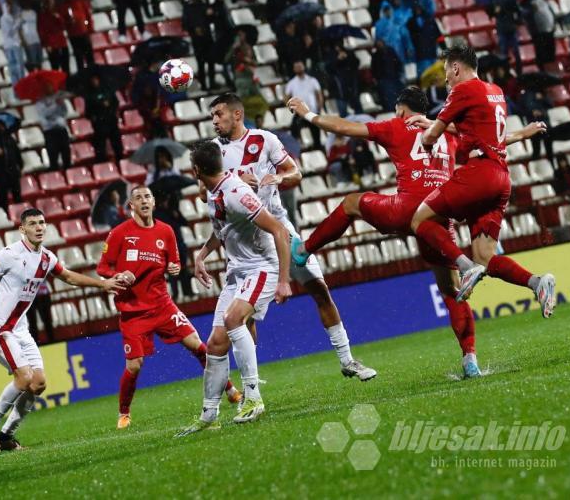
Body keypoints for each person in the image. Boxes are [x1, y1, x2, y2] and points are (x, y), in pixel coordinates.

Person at [288, 87, 546, 377]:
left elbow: (344, 127)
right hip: (438, 216)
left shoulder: (396, 125)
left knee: (350, 204)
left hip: (404, 208)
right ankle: (470, 359)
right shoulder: (447, 134)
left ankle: (304, 250)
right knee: (452, 293)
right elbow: (492, 142)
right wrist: (523, 134)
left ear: (401, 109)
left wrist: (307, 113)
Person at [208, 92, 376, 381]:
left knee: (320, 289)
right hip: (245, 239)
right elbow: (205, 193)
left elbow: (296, 173)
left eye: (219, 114)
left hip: (279, 226)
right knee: (243, 314)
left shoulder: (265, 140)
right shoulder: (213, 151)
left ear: (237, 114)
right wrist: (236, 184)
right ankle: (252, 381)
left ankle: (348, 360)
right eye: (212, 116)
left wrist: (278, 178)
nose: (214, 121)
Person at [410, 45, 556, 317]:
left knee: (419, 219)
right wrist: (523, 134)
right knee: (485, 257)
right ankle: (537, 283)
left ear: (456, 67)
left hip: (479, 173)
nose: (445, 80)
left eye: (446, 73)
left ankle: (464, 267)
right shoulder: (496, 91)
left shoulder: (462, 90)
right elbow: (477, 132)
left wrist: (426, 135)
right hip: (501, 178)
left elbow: (433, 136)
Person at [0, 208, 125, 451]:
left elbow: (69, 277)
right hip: (1, 327)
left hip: (20, 328)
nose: (39, 227)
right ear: (22, 229)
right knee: (24, 378)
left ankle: (6, 435)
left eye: (42, 223)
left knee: (39, 384)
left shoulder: (47, 258)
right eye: (33, 224)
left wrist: (103, 284)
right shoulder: (10, 254)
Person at [175, 140, 293, 436]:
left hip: (262, 269)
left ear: (196, 170)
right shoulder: (217, 192)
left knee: (232, 320)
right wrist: (202, 255)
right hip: (237, 273)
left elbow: (279, 230)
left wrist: (284, 280)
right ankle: (208, 414)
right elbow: (225, 230)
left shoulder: (237, 192)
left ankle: (253, 397)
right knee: (215, 343)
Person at [96, 186, 239, 429]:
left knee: (199, 347)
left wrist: (175, 268)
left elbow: (174, 262)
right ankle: (124, 413)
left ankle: (231, 390)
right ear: (131, 205)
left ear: (153, 202)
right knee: (134, 365)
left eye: (148, 196)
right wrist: (118, 274)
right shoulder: (119, 233)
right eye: (138, 198)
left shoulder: (166, 231)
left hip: (163, 306)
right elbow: (103, 268)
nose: (144, 200)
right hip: (133, 312)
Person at [0, 119, 23, 210]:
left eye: (2, 126)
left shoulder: (10, 139)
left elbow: (17, 153)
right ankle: (5, 214)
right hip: (1, 173)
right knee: (3, 198)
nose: (0, 128)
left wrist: (20, 166)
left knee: (17, 195)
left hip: (13, 171)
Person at [84, 74, 123, 162]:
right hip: (99, 124)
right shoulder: (89, 96)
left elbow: (116, 103)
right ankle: (102, 162)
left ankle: (119, 159)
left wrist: (110, 106)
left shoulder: (108, 91)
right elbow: (88, 112)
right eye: (93, 80)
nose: (95, 81)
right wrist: (96, 113)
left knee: (116, 142)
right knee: (100, 146)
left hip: (111, 120)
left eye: (96, 79)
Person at [284, 61, 323, 148]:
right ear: (294, 69)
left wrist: (319, 108)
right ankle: (298, 147)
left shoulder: (312, 80)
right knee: (294, 129)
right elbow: (286, 98)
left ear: (303, 67)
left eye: (300, 66)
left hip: (313, 111)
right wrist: (291, 108)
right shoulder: (292, 83)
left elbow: (319, 95)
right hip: (300, 113)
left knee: (316, 134)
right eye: (296, 67)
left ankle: (318, 148)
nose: (298, 68)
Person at [489, 0, 522, 75]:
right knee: (504, 52)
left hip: (511, 27)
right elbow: (491, 13)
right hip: (501, 28)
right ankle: (507, 72)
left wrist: (516, 19)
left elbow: (518, 11)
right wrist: (495, 12)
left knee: (516, 52)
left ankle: (519, 72)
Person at [35, 86, 71, 170]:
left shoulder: (57, 99)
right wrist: (55, 104)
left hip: (61, 130)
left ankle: (68, 171)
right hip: (50, 131)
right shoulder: (40, 102)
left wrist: (62, 104)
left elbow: (64, 112)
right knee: (53, 155)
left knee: (66, 153)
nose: (50, 89)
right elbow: (45, 113)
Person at [407, 4, 441, 78]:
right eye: (415, 9)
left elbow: (438, 35)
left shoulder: (430, 19)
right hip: (420, 55)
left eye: (418, 8)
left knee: (434, 77)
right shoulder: (410, 23)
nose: (417, 10)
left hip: (431, 53)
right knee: (424, 78)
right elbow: (408, 40)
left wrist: (443, 48)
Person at [64, 0, 95, 72]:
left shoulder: (80, 2)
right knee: (79, 57)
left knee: (89, 56)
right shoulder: (64, 6)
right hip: (73, 35)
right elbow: (63, 22)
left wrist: (90, 29)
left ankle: (93, 73)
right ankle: (83, 76)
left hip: (84, 33)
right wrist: (69, 22)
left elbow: (88, 16)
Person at [371, 39, 405, 112]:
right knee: (388, 100)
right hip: (384, 80)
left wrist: (399, 73)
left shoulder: (391, 51)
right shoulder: (375, 55)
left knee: (398, 98)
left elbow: (398, 63)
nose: (380, 45)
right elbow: (374, 69)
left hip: (394, 78)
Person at [38, 0, 70, 73]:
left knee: (65, 66)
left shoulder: (57, 13)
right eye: (47, 3)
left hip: (62, 43)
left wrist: (58, 17)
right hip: (51, 44)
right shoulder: (42, 16)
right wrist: (46, 44)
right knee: (55, 67)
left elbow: (63, 27)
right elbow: (42, 31)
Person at [1, 0, 26, 85]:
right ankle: (18, 88)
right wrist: (18, 23)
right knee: (15, 68)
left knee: (19, 68)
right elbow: (9, 33)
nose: (9, 8)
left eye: (9, 6)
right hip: (10, 46)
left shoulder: (11, 17)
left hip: (15, 44)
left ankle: (21, 87)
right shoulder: (3, 19)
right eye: (7, 6)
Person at [19, 0, 43, 72]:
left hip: (36, 39)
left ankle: (40, 77)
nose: (27, 3)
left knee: (39, 61)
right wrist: (23, 40)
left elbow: (37, 25)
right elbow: (20, 29)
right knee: (32, 62)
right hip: (28, 40)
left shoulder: (33, 12)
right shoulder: (21, 14)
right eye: (25, 1)